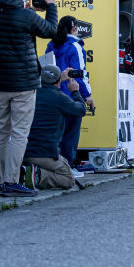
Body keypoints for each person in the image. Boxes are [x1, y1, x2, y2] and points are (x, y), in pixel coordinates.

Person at [0, 0, 58, 198]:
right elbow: (51, 30)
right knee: (19, 133)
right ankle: (11, 181)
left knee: (1, 132)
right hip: (24, 84)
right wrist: (51, 5)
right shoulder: (26, 15)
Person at [22, 66, 86, 191]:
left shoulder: (28, 94)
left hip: (22, 151)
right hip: (46, 153)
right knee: (68, 179)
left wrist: (59, 79)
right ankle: (37, 175)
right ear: (58, 82)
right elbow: (81, 110)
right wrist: (75, 92)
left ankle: (24, 171)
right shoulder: (59, 97)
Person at [45, 16, 94, 173]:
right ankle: (68, 168)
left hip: (51, 95)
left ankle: (53, 168)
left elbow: (46, 70)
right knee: (70, 135)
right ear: (74, 29)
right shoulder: (75, 46)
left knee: (55, 134)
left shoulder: (51, 45)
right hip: (70, 96)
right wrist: (87, 95)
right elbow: (80, 74)